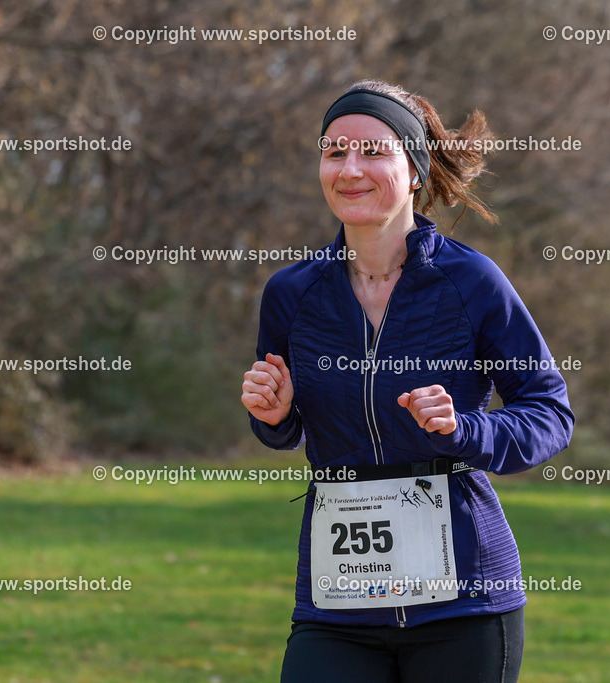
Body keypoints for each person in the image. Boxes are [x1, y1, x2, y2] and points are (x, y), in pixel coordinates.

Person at [241, 79, 574, 683]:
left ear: (415, 169)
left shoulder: (471, 282)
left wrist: (465, 428)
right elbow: (286, 428)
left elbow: (549, 411)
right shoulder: (293, 293)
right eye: (335, 150)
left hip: (466, 600)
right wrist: (274, 415)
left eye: (373, 151)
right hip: (338, 602)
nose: (350, 168)